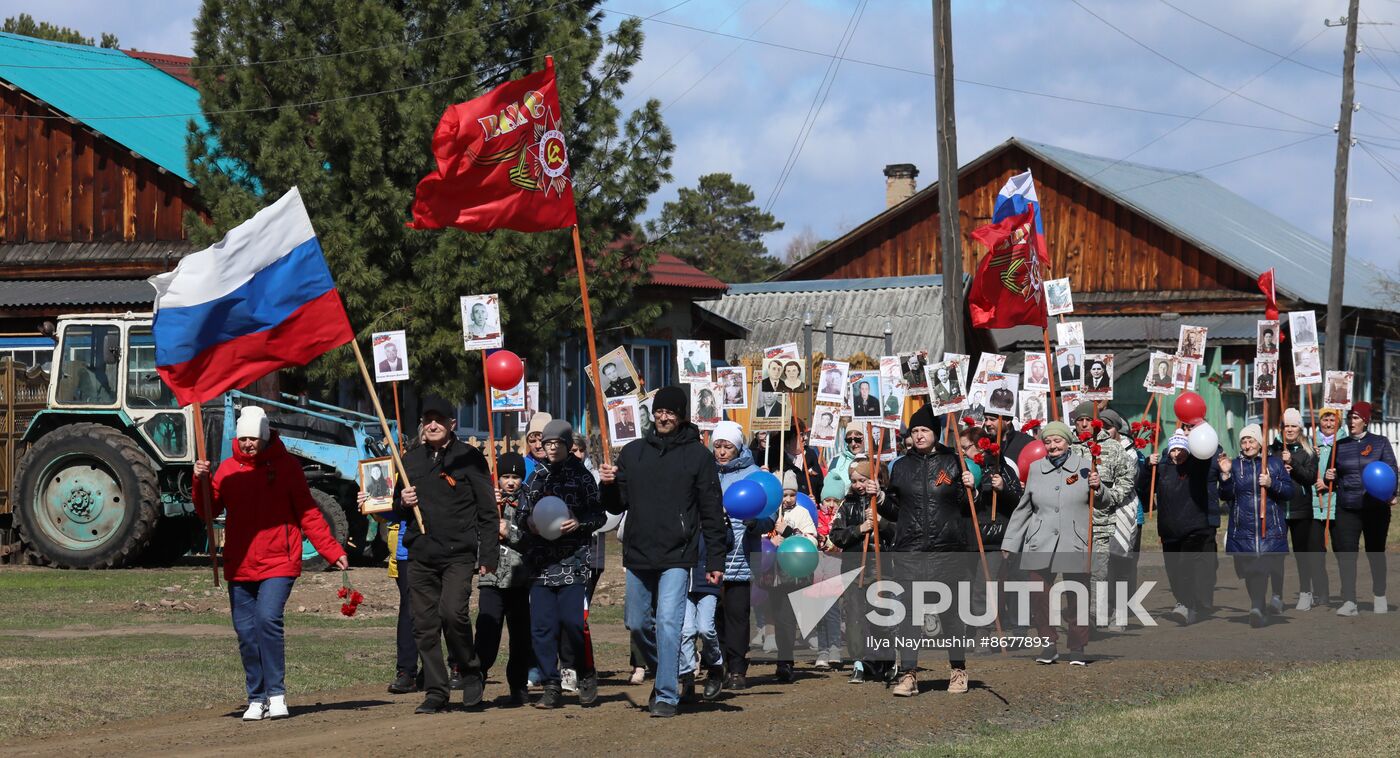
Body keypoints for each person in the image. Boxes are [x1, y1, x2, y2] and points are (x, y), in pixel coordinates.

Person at [195, 406, 348, 721]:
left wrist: (331, 549)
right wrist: (200, 481)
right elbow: (207, 511)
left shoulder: (287, 467)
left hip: (280, 559)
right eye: (244, 438)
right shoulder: (226, 470)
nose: (249, 443)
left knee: (267, 620)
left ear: (264, 436)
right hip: (240, 563)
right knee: (245, 630)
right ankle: (256, 697)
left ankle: (276, 694)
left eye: (254, 438)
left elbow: (307, 512)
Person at [600, 386, 729, 718]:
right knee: (637, 623)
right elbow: (617, 504)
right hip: (639, 552)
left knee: (670, 623)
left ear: (681, 415)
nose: (663, 416)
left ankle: (666, 695)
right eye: (659, 411)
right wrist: (608, 484)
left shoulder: (698, 457)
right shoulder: (633, 453)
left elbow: (712, 511)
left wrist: (715, 560)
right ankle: (672, 670)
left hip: (678, 553)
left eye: (670, 412)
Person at [392, 400, 499, 713]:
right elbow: (395, 510)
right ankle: (436, 691)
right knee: (424, 625)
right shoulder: (410, 460)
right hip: (421, 554)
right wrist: (402, 500)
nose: (433, 425)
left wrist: (488, 553)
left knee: (453, 614)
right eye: (428, 420)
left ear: (452, 423)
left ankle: (470, 670)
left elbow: (487, 511)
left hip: (458, 554)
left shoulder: (469, 457)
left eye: (439, 420)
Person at [879, 404, 978, 696]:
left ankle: (958, 670)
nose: (919, 436)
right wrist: (882, 497)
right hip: (910, 549)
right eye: (915, 431)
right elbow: (895, 511)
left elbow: (966, 506)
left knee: (950, 613)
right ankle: (909, 674)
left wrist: (972, 487)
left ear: (935, 433)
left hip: (947, 549)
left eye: (924, 430)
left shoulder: (953, 461)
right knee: (910, 613)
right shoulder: (901, 465)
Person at [515, 420, 604, 708]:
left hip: (573, 561)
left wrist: (579, 524)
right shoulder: (534, 478)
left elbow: (599, 516)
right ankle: (551, 684)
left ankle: (586, 673)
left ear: (567, 445)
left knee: (572, 624)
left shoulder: (582, 477)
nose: (551, 448)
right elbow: (520, 514)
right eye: (547, 443)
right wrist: (528, 522)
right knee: (541, 627)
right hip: (539, 564)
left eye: (558, 443)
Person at [1003, 421, 1098, 665]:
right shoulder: (1036, 469)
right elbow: (1024, 508)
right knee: (1039, 596)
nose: (1053, 445)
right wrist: (1011, 542)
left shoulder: (1086, 467)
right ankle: (1048, 644)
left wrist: (1099, 488)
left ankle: (1077, 647)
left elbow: (1104, 500)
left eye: (1057, 440)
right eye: (1048, 441)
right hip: (1040, 541)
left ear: (1068, 442)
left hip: (1073, 540)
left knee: (1077, 595)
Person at [1323, 402, 1398, 615]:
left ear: (1365, 420)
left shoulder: (1380, 443)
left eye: (1356, 417)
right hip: (1348, 507)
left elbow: (1391, 470)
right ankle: (1349, 601)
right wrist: (1329, 477)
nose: (1351, 421)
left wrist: (1392, 493)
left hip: (1375, 508)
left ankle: (1380, 595)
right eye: (1349, 417)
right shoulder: (1340, 445)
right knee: (1347, 554)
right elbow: (1331, 476)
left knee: (1375, 552)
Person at [1219, 424, 1293, 627]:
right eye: (1243, 441)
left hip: (1268, 526)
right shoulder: (1234, 465)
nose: (1247, 444)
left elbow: (1288, 492)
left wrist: (1272, 484)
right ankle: (1257, 605)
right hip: (1242, 527)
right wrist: (1225, 476)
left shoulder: (1275, 464)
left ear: (1260, 443)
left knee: (1260, 567)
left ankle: (1257, 607)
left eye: (1251, 440)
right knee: (1249, 570)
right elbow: (1225, 495)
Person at [827, 459, 893, 684]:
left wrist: (881, 523)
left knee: (881, 615)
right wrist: (859, 529)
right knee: (854, 616)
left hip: (882, 567)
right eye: (854, 481)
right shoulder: (847, 504)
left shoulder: (887, 501)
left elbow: (900, 532)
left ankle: (885, 659)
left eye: (862, 480)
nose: (857, 485)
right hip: (854, 568)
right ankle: (858, 661)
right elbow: (835, 535)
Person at [474, 452, 532, 707]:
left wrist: (510, 531)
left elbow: (533, 537)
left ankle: (518, 684)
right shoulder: (486, 498)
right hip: (492, 576)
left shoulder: (530, 501)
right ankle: (477, 679)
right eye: (506, 476)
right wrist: (488, 510)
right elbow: (474, 529)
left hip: (519, 578)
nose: (510, 482)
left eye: (516, 477)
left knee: (520, 636)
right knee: (487, 631)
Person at [711, 421, 765, 691]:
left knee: (737, 612)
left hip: (741, 555)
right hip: (712, 553)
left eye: (727, 446)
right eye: (717, 446)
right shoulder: (707, 472)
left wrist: (756, 523)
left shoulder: (753, 474)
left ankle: (737, 668)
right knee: (713, 613)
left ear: (738, 446)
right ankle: (717, 664)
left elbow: (769, 513)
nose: (721, 452)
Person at [1150, 431, 1221, 624]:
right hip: (1169, 529)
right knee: (1173, 570)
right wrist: (1149, 467)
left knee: (1186, 567)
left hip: (1193, 527)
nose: (1176, 454)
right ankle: (1184, 601)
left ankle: (1188, 605)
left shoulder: (1196, 466)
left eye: (1181, 449)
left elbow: (1209, 460)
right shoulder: (1162, 468)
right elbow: (1145, 486)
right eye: (1173, 449)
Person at [1271, 408, 1326, 611]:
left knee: (1302, 553)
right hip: (1277, 509)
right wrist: (1279, 470)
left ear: (1300, 428)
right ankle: (1276, 595)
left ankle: (1305, 592)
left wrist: (1292, 463)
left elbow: (1310, 478)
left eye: (1294, 425)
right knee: (1276, 555)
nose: (1290, 429)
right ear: (1282, 428)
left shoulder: (1309, 451)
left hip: (1300, 509)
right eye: (1287, 426)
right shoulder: (1272, 450)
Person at [767, 470, 818, 683]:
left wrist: (788, 532)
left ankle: (785, 662)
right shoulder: (769, 512)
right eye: (784, 495)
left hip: (792, 575)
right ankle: (782, 656)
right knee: (777, 618)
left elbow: (812, 541)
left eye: (792, 495)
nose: (788, 499)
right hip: (772, 574)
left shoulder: (802, 513)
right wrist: (771, 541)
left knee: (787, 618)